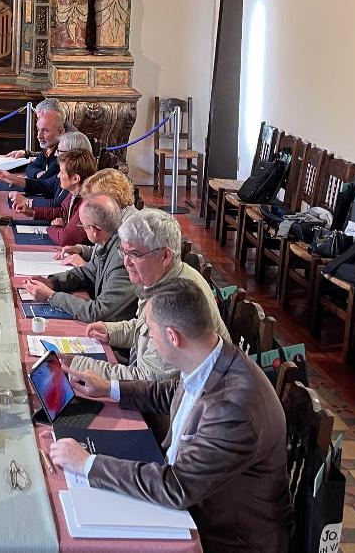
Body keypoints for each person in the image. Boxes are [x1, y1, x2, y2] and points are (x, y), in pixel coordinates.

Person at [50, 279, 290, 553]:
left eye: (151, 332)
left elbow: (176, 486)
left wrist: (88, 464)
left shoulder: (232, 409)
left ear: (173, 337)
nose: (148, 339)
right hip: (192, 495)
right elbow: (173, 392)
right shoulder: (212, 354)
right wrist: (109, 387)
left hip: (226, 536)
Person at [67, 209, 231, 381]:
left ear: (165, 256)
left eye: (134, 254)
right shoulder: (160, 278)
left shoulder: (175, 298)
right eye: (123, 252)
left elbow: (147, 382)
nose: (126, 262)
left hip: (169, 400)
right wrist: (112, 331)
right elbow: (146, 328)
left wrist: (77, 365)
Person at [20, 194, 136, 323]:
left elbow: (98, 312)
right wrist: (53, 282)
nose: (83, 230)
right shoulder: (109, 241)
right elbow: (88, 272)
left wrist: (51, 296)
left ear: (93, 230)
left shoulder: (123, 258)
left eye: (83, 226)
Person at [25, 148, 95, 247]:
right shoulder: (74, 192)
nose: (58, 176)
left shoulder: (87, 204)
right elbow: (63, 212)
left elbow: (64, 239)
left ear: (75, 179)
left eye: (62, 172)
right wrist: (33, 212)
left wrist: (53, 227)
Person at [13, 131, 93, 210]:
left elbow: (57, 205)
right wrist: (12, 179)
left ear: (73, 154)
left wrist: (27, 202)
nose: (55, 154)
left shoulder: (76, 180)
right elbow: (45, 185)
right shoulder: (66, 170)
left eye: (59, 151)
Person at [0, 106, 66, 192]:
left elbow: (43, 182)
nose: (39, 136)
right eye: (38, 130)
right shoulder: (49, 147)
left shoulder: (63, 151)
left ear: (61, 132)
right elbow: (31, 168)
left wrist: (15, 179)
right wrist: (38, 173)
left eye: (45, 131)